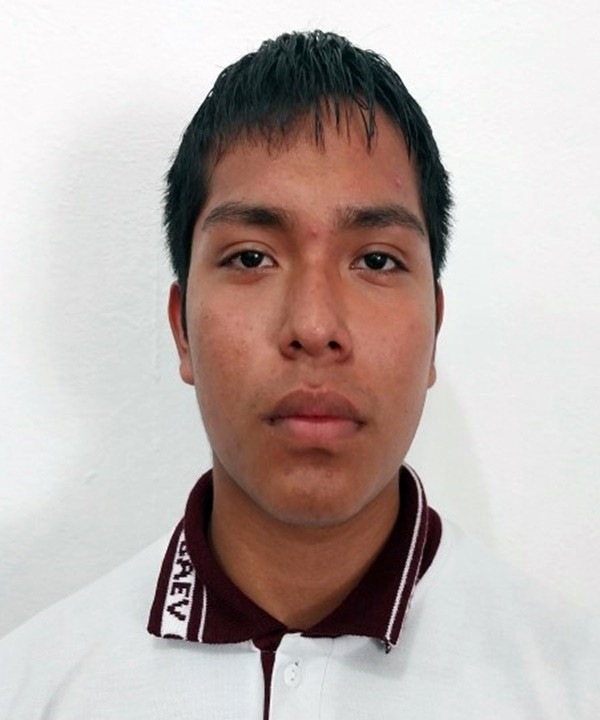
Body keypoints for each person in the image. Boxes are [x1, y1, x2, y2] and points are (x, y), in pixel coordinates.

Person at [0, 29, 597, 719]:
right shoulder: (32, 687)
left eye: (376, 260)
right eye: (251, 258)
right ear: (182, 328)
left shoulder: (573, 687)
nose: (314, 326)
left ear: (434, 329)